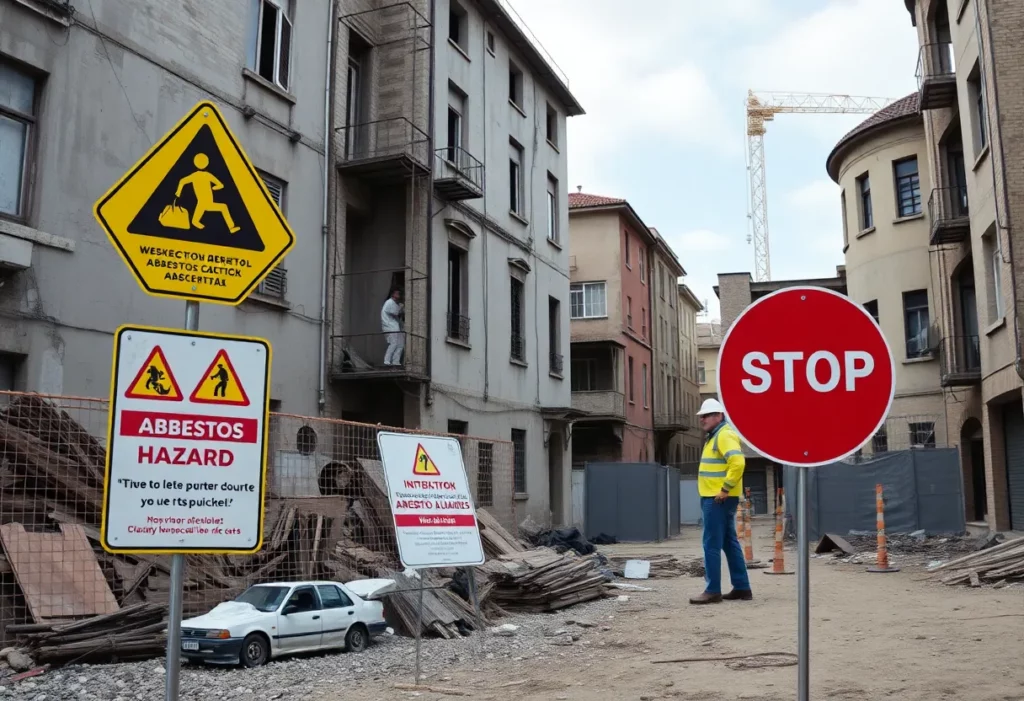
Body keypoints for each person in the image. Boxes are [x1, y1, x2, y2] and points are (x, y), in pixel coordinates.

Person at [690, 397, 752, 605]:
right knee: (728, 541)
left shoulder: (723, 435)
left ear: (719, 416)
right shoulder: (716, 435)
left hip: (717, 498)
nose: (702, 419)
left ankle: (713, 590)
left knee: (711, 544)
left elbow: (738, 462)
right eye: (701, 416)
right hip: (719, 497)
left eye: (706, 416)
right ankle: (742, 587)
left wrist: (724, 489)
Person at [381, 287, 405, 366]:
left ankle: (396, 361)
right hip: (389, 326)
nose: (398, 295)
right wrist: (401, 308)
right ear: (393, 294)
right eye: (397, 293)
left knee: (400, 344)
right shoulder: (389, 302)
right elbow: (395, 312)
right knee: (393, 343)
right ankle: (387, 361)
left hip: (396, 327)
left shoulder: (395, 303)